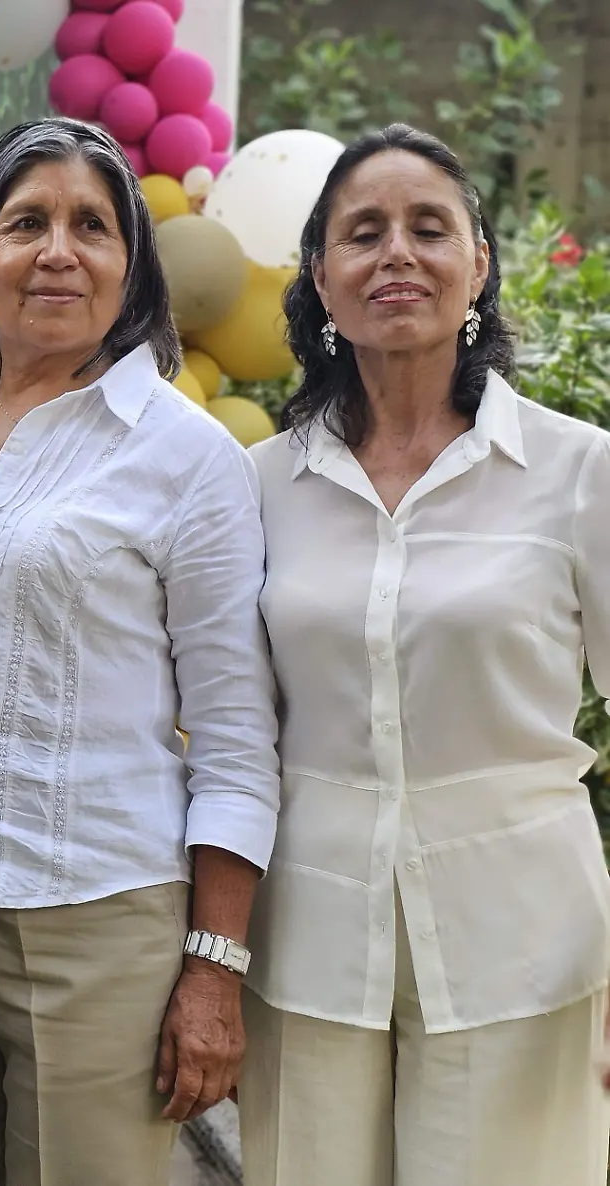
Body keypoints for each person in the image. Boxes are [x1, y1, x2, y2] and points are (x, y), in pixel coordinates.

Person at [0, 115, 280, 1186]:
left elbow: (236, 737)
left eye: (92, 225)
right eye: (25, 222)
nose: (57, 250)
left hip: (97, 909)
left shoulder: (187, 459)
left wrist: (214, 967)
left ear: (130, 266)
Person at [239, 123, 610, 1186]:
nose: (395, 253)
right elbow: (232, 727)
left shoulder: (576, 473)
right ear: (320, 277)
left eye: (428, 227)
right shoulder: (260, 485)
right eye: (363, 232)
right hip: (307, 943)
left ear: (477, 264)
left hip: (527, 943)